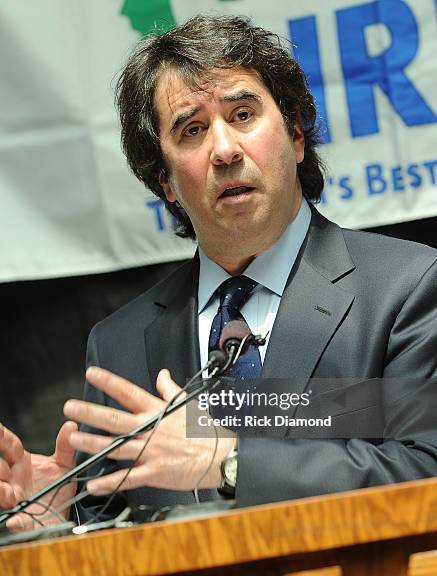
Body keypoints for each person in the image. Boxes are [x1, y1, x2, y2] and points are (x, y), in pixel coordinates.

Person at [1, 14, 437, 531]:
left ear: (296, 135)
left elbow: (424, 469)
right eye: (192, 130)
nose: (225, 150)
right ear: (164, 181)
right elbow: (112, 523)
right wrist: (58, 527)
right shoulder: (119, 346)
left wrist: (231, 464)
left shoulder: (407, 288)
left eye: (244, 114)